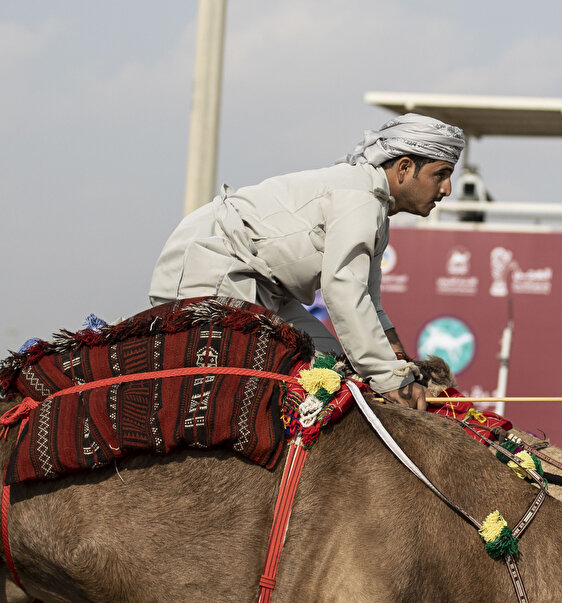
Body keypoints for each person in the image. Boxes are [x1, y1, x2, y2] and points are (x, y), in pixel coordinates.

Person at [149, 113, 465, 409]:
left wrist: (402, 368)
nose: (447, 189)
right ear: (405, 167)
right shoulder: (361, 198)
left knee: (333, 367)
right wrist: (391, 381)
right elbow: (343, 290)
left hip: (263, 289)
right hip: (213, 265)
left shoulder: (377, 208)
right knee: (254, 395)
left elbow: (371, 304)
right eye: (441, 174)